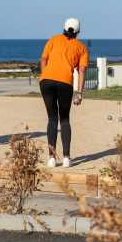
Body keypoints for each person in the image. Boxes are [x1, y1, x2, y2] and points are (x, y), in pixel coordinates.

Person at [39, 18, 89, 168]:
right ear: (78, 31)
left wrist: (44, 76)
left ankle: (52, 158)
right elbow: (81, 71)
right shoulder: (81, 47)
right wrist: (79, 92)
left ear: (64, 27)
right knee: (64, 119)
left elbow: (43, 59)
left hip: (46, 82)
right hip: (65, 83)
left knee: (52, 119)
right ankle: (66, 158)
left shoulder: (53, 39)